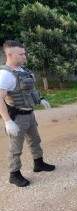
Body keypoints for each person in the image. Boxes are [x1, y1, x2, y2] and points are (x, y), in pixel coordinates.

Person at [0, 40, 55, 187]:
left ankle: (39, 163)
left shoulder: (24, 71)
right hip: (16, 116)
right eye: (21, 54)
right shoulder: (5, 74)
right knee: (15, 147)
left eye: (24, 53)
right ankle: (14, 174)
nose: (25, 56)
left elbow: (31, 90)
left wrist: (41, 98)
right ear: (10, 55)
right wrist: (7, 121)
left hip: (29, 114)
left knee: (35, 140)